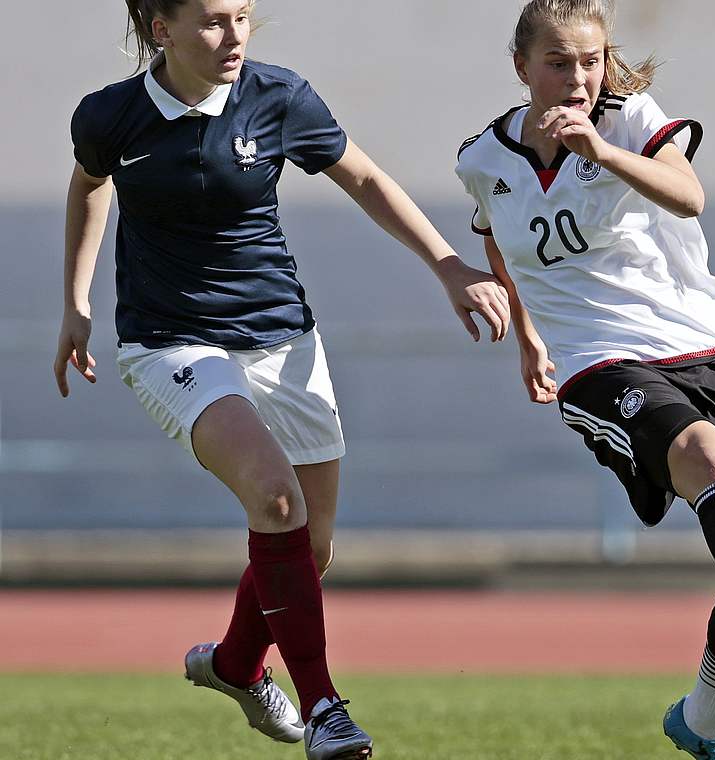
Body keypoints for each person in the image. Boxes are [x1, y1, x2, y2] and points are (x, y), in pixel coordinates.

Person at [55, 2, 510, 758]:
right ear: (160, 28)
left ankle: (236, 664)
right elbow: (90, 184)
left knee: (310, 546)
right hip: (170, 343)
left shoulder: (281, 97)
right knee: (275, 498)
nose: (234, 36)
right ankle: (325, 707)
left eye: (242, 17)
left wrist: (449, 266)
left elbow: (364, 178)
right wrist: (75, 304)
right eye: (210, 21)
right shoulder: (110, 116)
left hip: (282, 337)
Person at [454, 2, 715, 757]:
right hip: (601, 361)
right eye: (557, 63)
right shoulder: (483, 159)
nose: (578, 79)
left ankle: (702, 724)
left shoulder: (630, 116)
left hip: (714, 344)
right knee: (705, 459)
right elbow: (499, 241)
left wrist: (602, 152)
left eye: (590, 61)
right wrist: (530, 339)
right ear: (521, 67)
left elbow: (689, 194)